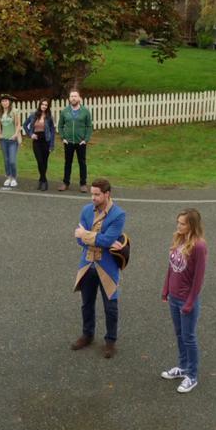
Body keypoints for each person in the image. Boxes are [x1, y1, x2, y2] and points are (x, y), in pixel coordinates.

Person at [71, 178, 125, 358]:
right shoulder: (86, 210)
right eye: (92, 194)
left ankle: (110, 341)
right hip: (87, 264)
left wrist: (86, 235)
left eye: (97, 194)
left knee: (110, 307)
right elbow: (79, 240)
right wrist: (95, 238)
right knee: (86, 303)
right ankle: (87, 334)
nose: (93, 197)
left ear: (107, 194)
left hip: (106, 267)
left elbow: (107, 240)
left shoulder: (118, 215)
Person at [161, 208, 208, 393]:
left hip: (186, 300)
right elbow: (171, 268)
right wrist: (165, 290)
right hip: (174, 297)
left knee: (189, 338)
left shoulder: (199, 246)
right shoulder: (179, 239)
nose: (178, 226)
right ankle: (182, 367)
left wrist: (189, 302)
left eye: (182, 223)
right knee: (179, 334)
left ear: (192, 225)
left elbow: (198, 278)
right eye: (178, 222)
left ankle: (192, 376)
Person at [57, 90, 93, 193]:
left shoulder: (85, 111)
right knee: (67, 163)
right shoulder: (65, 111)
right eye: (71, 96)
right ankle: (65, 183)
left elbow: (89, 126)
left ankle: (83, 184)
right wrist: (63, 137)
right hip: (68, 142)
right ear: (69, 98)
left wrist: (85, 140)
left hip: (81, 142)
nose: (73, 98)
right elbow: (60, 125)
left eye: (75, 96)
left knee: (82, 163)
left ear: (79, 98)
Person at [22, 99, 56, 191]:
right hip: (36, 141)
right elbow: (25, 125)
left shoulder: (49, 117)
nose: (44, 106)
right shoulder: (34, 115)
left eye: (46, 105)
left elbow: (52, 130)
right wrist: (30, 134)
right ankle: (44, 180)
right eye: (43, 104)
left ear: (48, 106)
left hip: (46, 141)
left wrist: (52, 145)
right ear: (39, 105)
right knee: (40, 161)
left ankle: (41, 181)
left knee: (44, 162)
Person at [0, 94, 22, 188]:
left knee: (12, 161)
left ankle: (14, 177)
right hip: (3, 140)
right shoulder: (0, 113)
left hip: (13, 140)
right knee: (6, 160)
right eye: (2, 101)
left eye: (6, 101)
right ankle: (8, 177)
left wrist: (15, 135)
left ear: (10, 102)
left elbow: (19, 124)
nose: (4, 102)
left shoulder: (15, 111)